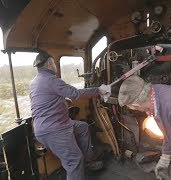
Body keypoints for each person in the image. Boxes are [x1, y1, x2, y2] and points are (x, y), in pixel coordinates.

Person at [29, 51, 110, 180]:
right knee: (74, 160)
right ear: (49, 64)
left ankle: (88, 162)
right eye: (54, 63)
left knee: (82, 127)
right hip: (55, 129)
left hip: (43, 128)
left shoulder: (34, 82)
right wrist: (98, 90)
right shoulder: (52, 80)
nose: (55, 66)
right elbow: (76, 94)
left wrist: (63, 101)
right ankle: (80, 166)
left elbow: (43, 100)